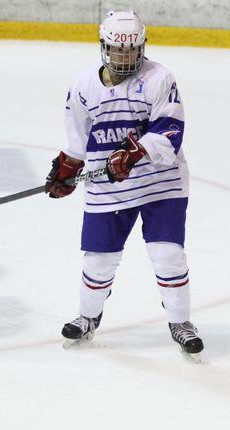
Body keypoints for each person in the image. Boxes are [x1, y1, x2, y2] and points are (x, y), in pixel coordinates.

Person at [45, 9, 203, 355]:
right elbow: (77, 140)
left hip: (161, 182)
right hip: (108, 186)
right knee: (97, 261)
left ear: (142, 47)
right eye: (117, 50)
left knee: (167, 255)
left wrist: (134, 154)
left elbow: (171, 130)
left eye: (131, 50)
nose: (125, 56)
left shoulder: (160, 78)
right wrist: (67, 169)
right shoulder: (84, 86)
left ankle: (180, 321)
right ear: (104, 47)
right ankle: (87, 317)